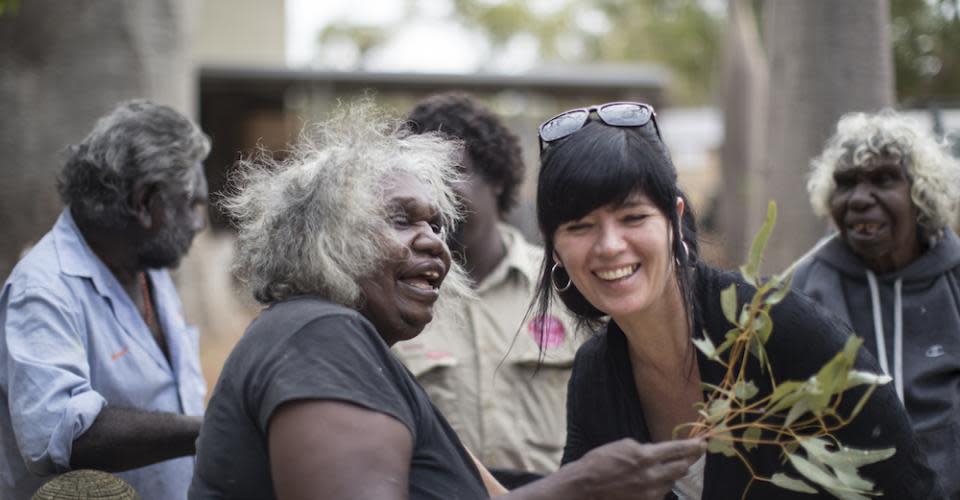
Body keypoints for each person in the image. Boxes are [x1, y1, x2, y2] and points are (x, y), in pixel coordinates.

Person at [190, 100, 706, 500]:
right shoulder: (320, 336)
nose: (435, 241)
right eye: (402, 219)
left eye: (437, 224)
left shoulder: (350, 349)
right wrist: (580, 487)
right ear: (325, 234)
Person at [531, 102, 944, 499]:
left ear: (675, 220)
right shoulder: (596, 375)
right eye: (580, 226)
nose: (609, 245)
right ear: (555, 249)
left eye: (633, 218)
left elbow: (911, 485)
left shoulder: (779, 328)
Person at [0, 100, 209, 499]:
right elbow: (62, 435)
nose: (199, 224)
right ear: (144, 202)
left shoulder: (150, 269)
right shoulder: (43, 289)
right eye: (191, 204)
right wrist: (210, 429)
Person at [394, 92, 579, 484]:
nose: (435, 197)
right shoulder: (392, 302)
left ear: (496, 177)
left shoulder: (567, 284)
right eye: (422, 181)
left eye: (450, 175)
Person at [795, 110, 960, 498]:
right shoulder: (804, 287)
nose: (859, 199)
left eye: (883, 179)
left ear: (921, 193)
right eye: (846, 184)